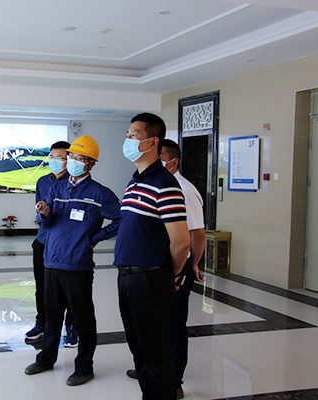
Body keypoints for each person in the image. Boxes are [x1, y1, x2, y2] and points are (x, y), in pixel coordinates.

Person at [24, 135, 121, 386]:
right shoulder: (56, 188)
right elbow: (47, 222)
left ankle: (84, 367)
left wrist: (95, 238)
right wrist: (45, 214)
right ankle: (46, 359)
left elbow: (122, 219)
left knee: (82, 318)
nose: (74, 162)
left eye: (80, 158)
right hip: (51, 261)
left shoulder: (99, 193)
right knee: (52, 315)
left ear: (91, 164)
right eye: (72, 157)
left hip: (78, 264)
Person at [114, 113, 190, 400]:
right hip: (128, 278)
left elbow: (181, 242)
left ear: (152, 142)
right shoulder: (135, 182)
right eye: (128, 134)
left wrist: (170, 275)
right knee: (139, 350)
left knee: (156, 354)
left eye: (134, 135)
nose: (128, 140)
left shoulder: (165, 183)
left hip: (149, 279)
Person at [125, 139, 206, 399]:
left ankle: (174, 381)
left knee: (172, 325)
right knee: (152, 324)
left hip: (176, 267)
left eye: (158, 157)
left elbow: (197, 234)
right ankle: (152, 370)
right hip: (156, 267)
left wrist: (192, 265)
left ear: (173, 161)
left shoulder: (183, 189)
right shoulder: (149, 183)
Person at [25, 140, 78, 348]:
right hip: (44, 241)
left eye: (60, 158)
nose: (55, 161)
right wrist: (44, 213)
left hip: (66, 244)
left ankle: (71, 327)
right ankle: (42, 323)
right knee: (42, 287)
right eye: (52, 157)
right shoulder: (42, 182)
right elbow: (39, 213)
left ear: (69, 160)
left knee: (69, 289)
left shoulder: (75, 182)